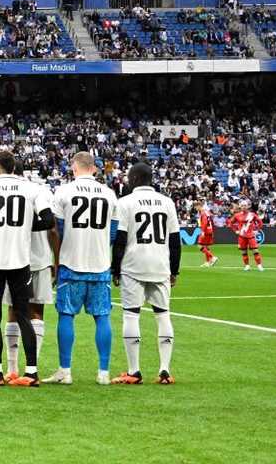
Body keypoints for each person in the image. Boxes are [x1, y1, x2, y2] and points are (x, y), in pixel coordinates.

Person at [0, 150, 54, 386]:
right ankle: (31, 372)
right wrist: (26, 226)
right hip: (21, 261)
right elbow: (49, 221)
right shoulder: (32, 189)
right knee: (24, 316)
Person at [45, 151, 118, 386]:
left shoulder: (64, 191)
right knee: (102, 316)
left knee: (66, 315)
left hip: (70, 262)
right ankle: (103, 372)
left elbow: (55, 229)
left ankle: (65, 371)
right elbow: (114, 232)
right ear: (94, 169)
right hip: (99, 264)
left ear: (73, 168)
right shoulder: (109, 194)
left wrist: (59, 256)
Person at [111, 162, 181, 385]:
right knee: (163, 315)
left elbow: (120, 239)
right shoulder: (167, 202)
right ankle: (165, 370)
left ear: (132, 180)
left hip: (133, 265)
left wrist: (115, 268)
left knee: (131, 315)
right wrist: (174, 270)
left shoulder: (125, 202)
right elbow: (174, 241)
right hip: (160, 266)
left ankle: (134, 371)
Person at [5, 171, 57, 381]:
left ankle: (12, 368)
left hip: (14, 260)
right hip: (40, 259)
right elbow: (52, 229)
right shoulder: (40, 192)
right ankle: (31, 368)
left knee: (12, 311)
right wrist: (57, 258)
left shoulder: (4, 192)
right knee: (36, 312)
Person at [228, 204, 265, 271]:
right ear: (240, 207)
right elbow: (230, 223)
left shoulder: (252, 214)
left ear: (247, 207)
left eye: (245, 205)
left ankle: (259, 265)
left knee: (255, 251)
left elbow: (260, 222)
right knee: (244, 252)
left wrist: (257, 230)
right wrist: (235, 230)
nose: (244, 207)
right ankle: (247, 266)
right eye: (242, 205)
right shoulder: (237, 215)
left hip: (251, 235)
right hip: (242, 236)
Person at [196, 202, 218, 267]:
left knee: (200, 246)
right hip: (210, 230)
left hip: (205, 231)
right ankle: (207, 262)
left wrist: (203, 231)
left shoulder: (203, 213)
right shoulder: (207, 212)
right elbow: (211, 221)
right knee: (205, 246)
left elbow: (205, 222)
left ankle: (213, 257)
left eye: (196, 207)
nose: (196, 208)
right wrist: (212, 231)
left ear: (199, 206)